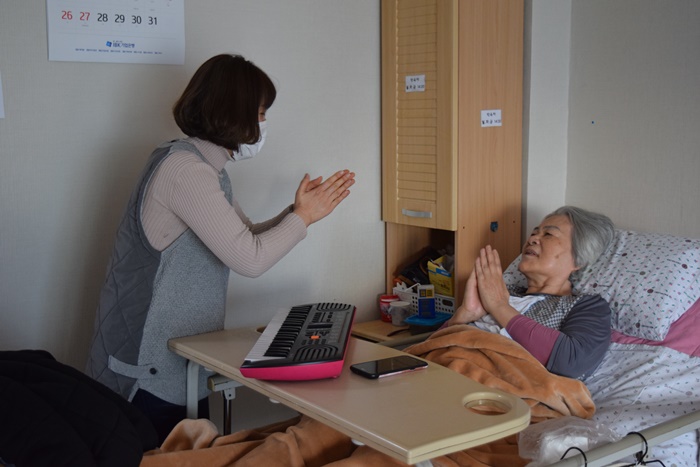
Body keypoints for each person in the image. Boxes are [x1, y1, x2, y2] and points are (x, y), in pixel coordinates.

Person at [85, 54, 355, 443]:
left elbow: (243, 235)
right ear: (234, 112)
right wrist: (304, 218)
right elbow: (250, 258)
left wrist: (297, 212)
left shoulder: (205, 168)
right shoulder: (186, 171)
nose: (263, 124)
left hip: (179, 358)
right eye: (260, 113)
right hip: (149, 368)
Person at [446, 206, 615, 380]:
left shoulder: (587, 306)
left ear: (578, 258)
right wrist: (463, 315)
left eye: (548, 234)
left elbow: (573, 361)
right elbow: (436, 347)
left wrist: (499, 306)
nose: (532, 238)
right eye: (534, 233)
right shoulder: (501, 291)